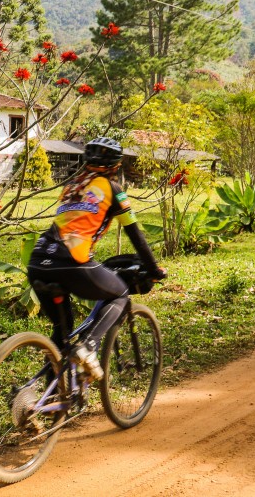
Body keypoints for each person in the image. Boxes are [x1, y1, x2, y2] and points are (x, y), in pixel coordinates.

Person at [27, 137, 166, 381]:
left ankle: (50, 401)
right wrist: (154, 269)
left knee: (62, 333)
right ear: (116, 166)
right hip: (71, 261)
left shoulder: (70, 187)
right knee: (120, 294)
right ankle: (89, 346)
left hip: (37, 261)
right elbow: (135, 234)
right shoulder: (113, 191)